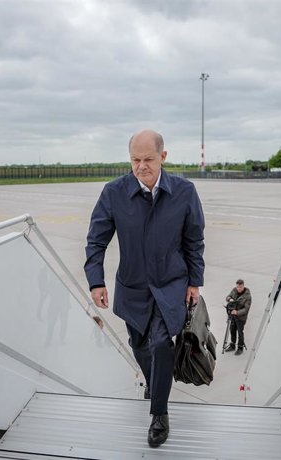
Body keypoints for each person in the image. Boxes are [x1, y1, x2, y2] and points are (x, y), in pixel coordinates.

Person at [84, 129, 205, 448]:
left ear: (163, 157)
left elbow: (194, 240)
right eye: (135, 160)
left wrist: (195, 281)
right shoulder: (114, 192)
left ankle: (159, 415)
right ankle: (154, 382)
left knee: (163, 343)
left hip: (170, 284)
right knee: (139, 342)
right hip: (132, 285)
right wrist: (96, 280)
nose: (141, 166)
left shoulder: (184, 191)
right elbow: (96, 240)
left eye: (148, 159)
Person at [224, 279, 251, 355]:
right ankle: (232, 345)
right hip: (232, 315)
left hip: (241, 317)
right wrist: (229, 299)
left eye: (240, 287)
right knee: (232, 330)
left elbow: (246, 309)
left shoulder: (248, 296)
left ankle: (240, 348)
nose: (239, 289)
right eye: (237, 287)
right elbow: (227, 297)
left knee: (240, 332)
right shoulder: (234, 290)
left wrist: (237, 312)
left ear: (243, 286)